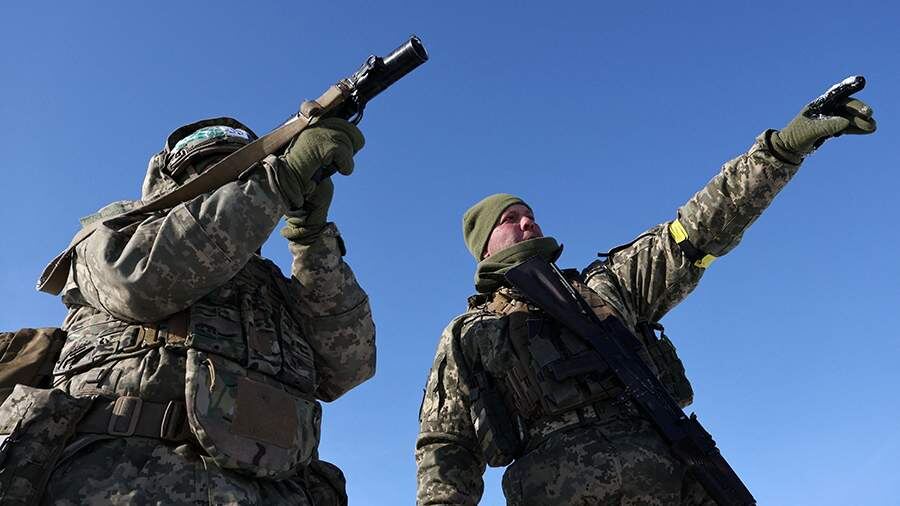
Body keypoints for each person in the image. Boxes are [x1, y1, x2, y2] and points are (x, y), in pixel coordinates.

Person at [415, 80, 876, 505]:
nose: (527, 221)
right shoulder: (469, 334)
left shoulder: (605, 286)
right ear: (483, 245)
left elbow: (695, 231)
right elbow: (445, 447)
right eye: (510, 218)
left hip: (676, 473)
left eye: (529, 213)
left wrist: (780, 151)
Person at [29, 115, 374, 504]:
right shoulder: (113, 235)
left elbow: (348, 367)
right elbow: (138, 282)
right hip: (127, 482)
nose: (235, 187)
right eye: (215, 173)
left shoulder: (272, 285)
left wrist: (311, 241)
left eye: (245, 173)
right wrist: (278, 182)